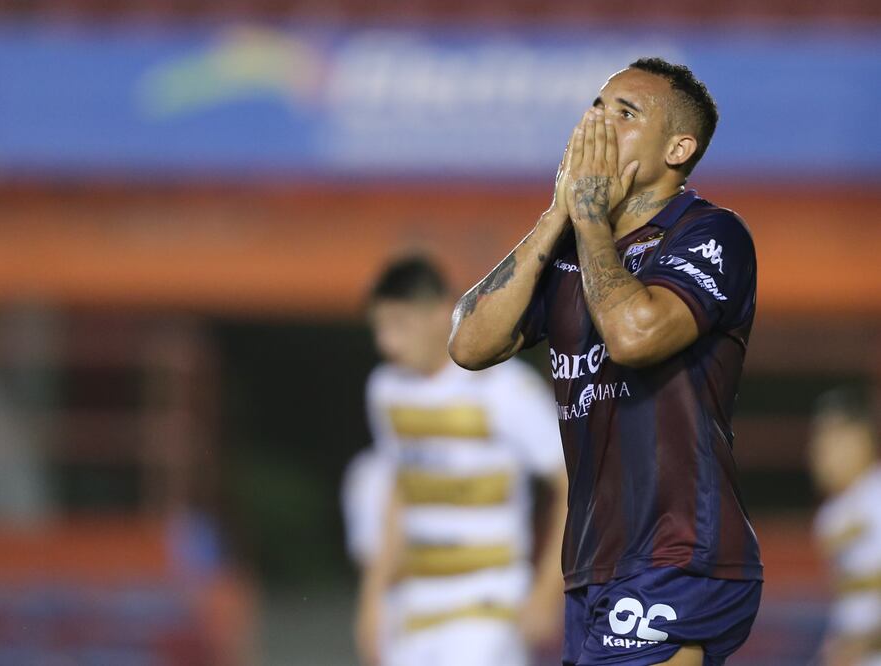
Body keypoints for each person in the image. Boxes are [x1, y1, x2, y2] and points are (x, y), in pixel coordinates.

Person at [448, 57, 762, 665]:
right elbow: (469, 345)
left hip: (680, 549)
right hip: (595, 559)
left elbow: (634, 336)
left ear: (678, 148)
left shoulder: (710, 234)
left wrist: (589, 219)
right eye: (597, 106)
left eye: (626, 112)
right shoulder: (571, 246)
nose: (597, 122)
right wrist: (557, 215)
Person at [354, 255, 568, 666]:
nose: (387, 343)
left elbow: (571, 485)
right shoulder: (386, 390)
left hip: (487, 601)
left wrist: (547, 592)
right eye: (380, 327)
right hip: (417, 603)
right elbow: (400, 490)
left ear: (439, 314)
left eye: (399, 324)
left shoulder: (504, 388)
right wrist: (372, 598)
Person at [810, 388, 881, 666]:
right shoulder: (829, 516)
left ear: (861, 439)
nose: (820, 453)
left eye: (834, 439)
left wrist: (864, 642)